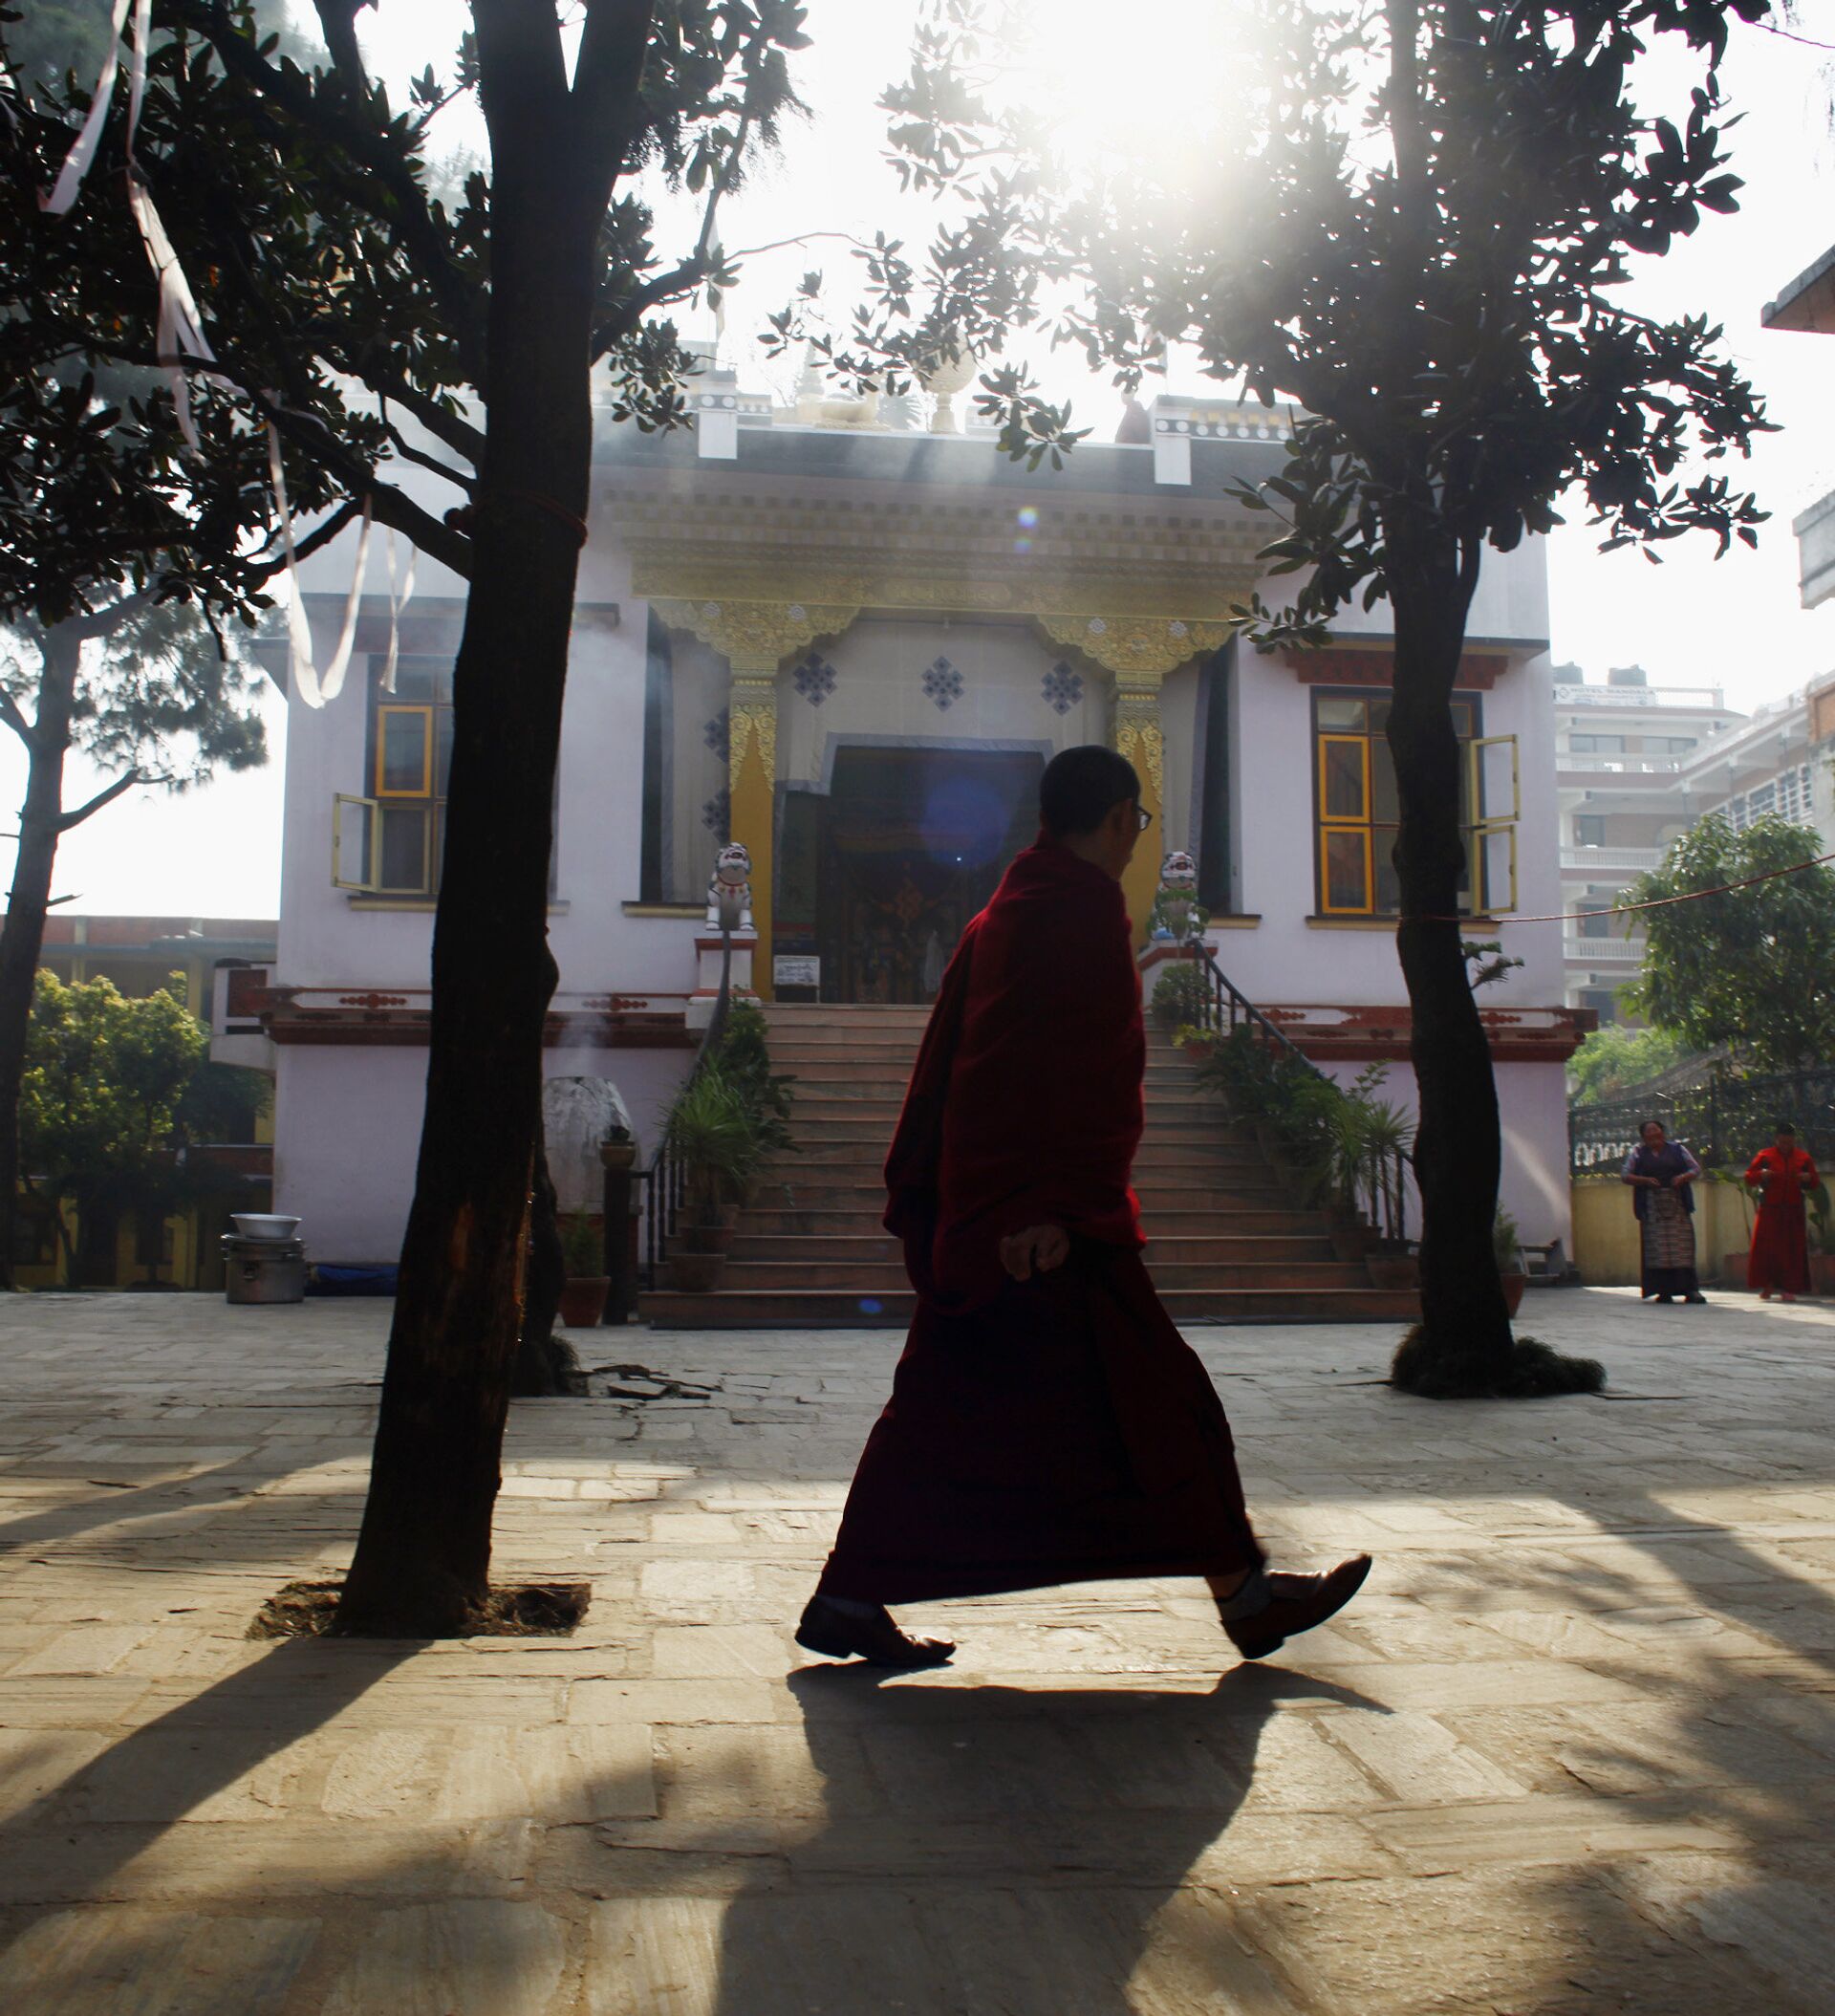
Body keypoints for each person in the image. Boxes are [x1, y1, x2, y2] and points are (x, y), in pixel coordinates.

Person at [795, 745, 1371, 1669]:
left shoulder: (1000, 913)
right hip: (1048, 1231)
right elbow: (1085, 1076)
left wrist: (968, 1205)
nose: (1136, 840)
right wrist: (1060, 1208)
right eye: (1136, 822)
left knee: (945, 1411)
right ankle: (1244, 1595)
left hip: (989, 1216)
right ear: (1112, 820)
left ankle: (848, 1597)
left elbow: (963, 1069)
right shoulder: (1084, 910)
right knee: (1160, 1400)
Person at [1621, 1118, 1705, 1306]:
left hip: (1678, 1205)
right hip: (1652, 1206)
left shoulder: (1678, 1149)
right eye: (1648, 1132)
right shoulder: (1638, 1153)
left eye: (1655, 1130)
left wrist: (1682, 1177)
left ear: (1663, 1132)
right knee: (1658, 1251)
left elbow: (1695, 1169)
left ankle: (1690, 1290)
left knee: (1682, 1248)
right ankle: (1663, 1291)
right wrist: (1644, 1180)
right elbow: (1625, 1175)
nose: (1653, 1134)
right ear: (1643, 1137)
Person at [1744, 1121, 1820, 1303]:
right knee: (1767, 1250)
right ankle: (1767, 1284)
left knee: (1791, 1251)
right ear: (1776, 1139)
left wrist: (1808, 1178)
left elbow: (1814, 1182)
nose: (1786, 1146)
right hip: (1770, 1210)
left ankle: (1788, 1288)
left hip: (1793, 1210)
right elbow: (1749, 1177)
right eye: (1783, 1142)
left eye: (1789, 1142)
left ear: (1794, 1140)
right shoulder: (1765, 1156)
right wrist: (1761, 1174)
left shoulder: (1803, 1158)